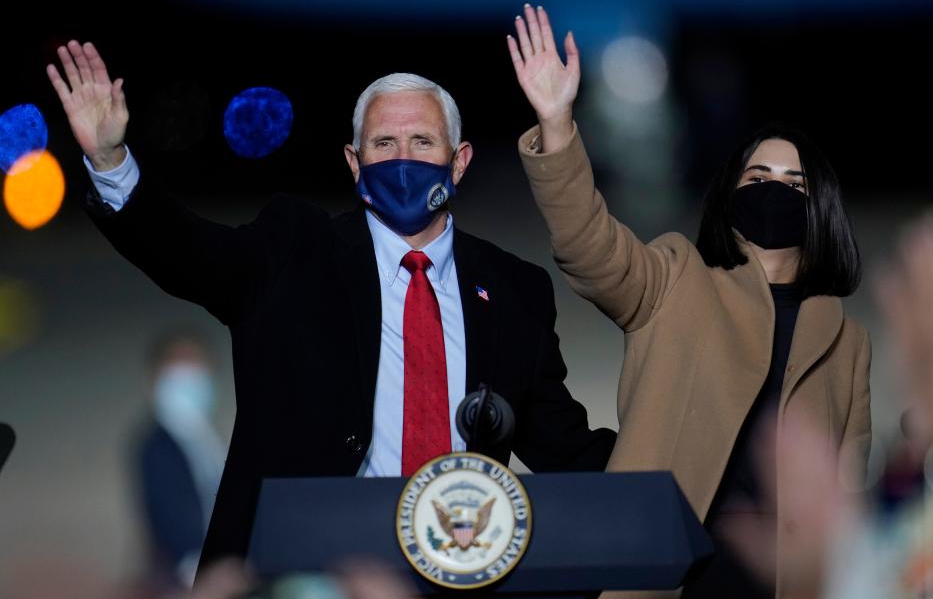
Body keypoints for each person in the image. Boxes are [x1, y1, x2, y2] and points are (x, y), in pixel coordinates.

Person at [46, 40, 615, 571]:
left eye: (422, 142)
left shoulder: (515, 288)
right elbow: (188, 253)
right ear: (353, 161)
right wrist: (112, 159)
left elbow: (563, 444)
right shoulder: (296, 250)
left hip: (462, 564)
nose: (402, 160)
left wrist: (691, 469)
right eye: (383, 144)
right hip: (313, 570)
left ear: (459, 160)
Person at [507, 4, 871, 598]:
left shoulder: (846, 338)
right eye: (757, 178)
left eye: (793, 182)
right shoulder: (677, 279)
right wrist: (556, 124)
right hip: (669, 574)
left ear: (821, 204)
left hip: (786, 581)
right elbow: (588, 243)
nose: (773, 190)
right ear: (729, 196)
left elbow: (847, 489)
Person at [133, 329, 227, 588]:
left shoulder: (208, 439)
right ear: (153, 380)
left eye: (195, 364)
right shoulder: (156, 446)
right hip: (190, 576)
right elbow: (171, 516)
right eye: (177, 366)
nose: (188, 378)